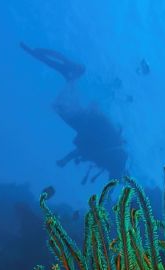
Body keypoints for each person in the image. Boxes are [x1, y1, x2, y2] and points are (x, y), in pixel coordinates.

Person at [21, 43, 129, 182]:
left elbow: (85, 151)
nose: (110, 176)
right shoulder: (110, 157)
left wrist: (65, 160)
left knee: (62, 107)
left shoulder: (114, 154)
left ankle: (71, 76)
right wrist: (65, 160)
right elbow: (85, 151)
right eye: (113, 176)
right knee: (60, 106)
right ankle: (73, 75)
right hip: (88, 123)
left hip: (91, 121)